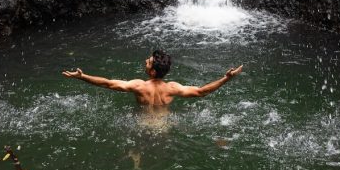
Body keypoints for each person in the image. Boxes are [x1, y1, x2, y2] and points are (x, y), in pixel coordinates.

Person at [62, 49, 243, 109]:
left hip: (141, 126)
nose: (145, 61)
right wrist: (226, 78)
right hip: (163, 128)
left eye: (148, 62)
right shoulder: (172, 88)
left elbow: (108, 83)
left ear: (153, 72)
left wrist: (82, 76)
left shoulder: (139, 86)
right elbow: (202, 91)